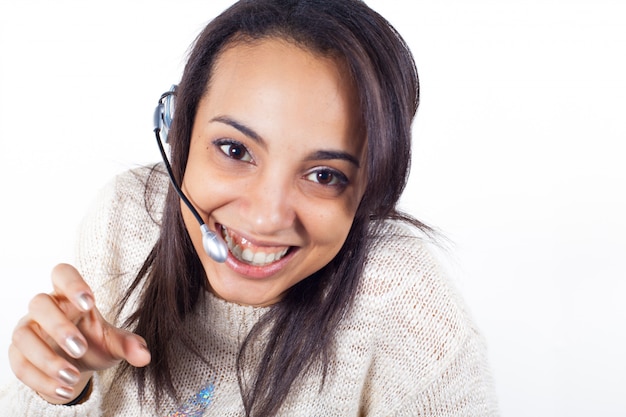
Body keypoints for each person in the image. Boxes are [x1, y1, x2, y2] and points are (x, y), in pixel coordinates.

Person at [0, 0, 499, 415]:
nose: (264, 217)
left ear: (369, 189)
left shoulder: (406, 302)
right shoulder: (129, 218)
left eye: (324, 176)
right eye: (235, 150)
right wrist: (63, 388)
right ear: (181, 133)